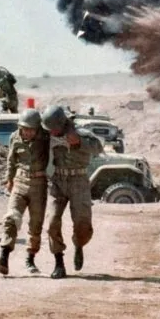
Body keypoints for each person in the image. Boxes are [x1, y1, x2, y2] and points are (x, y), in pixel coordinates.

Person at [40, 105, 103, 279]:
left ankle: (79, 245)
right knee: (52, 222)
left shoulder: (80, 132)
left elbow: (98, 147)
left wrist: (80, 142)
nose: (52, 132)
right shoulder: (47, 133)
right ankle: (59, 263)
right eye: (49, 129)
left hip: (79, 181)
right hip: (58, 181)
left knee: (82, 223)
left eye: (54, 129)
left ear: (62, 124)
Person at [0, 109, 49, 275]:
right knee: (11, 218)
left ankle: (30, 259)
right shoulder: (14, 137)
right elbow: (11, 160)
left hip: (39, 185)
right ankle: (4, 259)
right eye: (24, 129)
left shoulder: (46, 138)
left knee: (35, 225)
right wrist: (9, 179)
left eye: (31, 129)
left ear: (38, 129)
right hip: (20, 182)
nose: (27, 132)